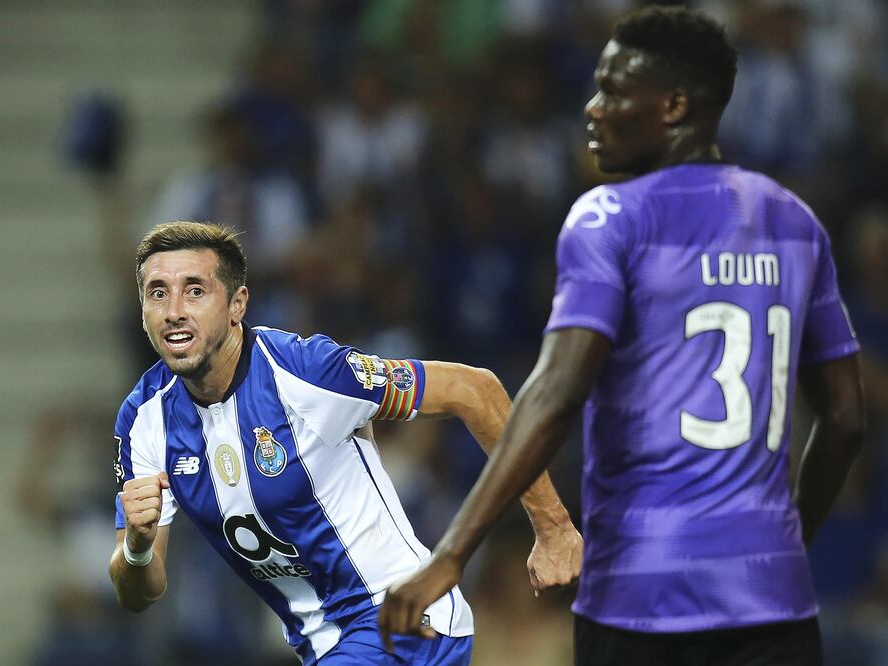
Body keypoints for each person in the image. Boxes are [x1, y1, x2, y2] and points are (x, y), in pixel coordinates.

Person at [378, 6, 866, 666]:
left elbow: (557, 391)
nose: (592, 108)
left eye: (612, 89)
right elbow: (845, 419)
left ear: (673, 105)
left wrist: (450, 554)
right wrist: (787, 542)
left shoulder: (611, 216)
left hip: (641, 601)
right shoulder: (794, 222)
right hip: (772, 603)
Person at [107, 220, 583, 665]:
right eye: (158, 293)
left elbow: (476, 390)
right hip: (324, 648)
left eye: (195, 291)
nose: (174, 311)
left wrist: (554, 527)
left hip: (403, 618)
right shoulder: (142, 421)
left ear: (237, 305)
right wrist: (138, 548)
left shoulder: (306, 373)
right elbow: (138, 594)